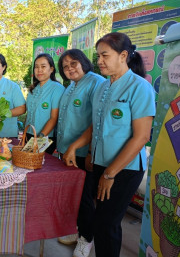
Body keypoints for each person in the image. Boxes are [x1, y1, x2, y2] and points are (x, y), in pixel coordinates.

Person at [64, 32, 155, 257]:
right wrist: (76, 147)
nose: (100, 61)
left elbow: (142, 137)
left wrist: (110, 174)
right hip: (100, 164)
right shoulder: (103, 87)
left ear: (123, 55)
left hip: (125, 169)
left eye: (105, 55)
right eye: (98, 56)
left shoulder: (139, 87)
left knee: (107, 224)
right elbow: (95, 127)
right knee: (99, 220)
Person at [56, 49, 105, 256]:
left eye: (73, 63)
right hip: (66, 151)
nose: (69, 69)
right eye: (65, 67)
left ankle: (87, 238)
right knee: (72, 196)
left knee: (85, 198)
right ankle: (78, 231)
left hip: (84, 153)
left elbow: (98, 121)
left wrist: (91, 153)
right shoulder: (69, 87)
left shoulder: (97, 83)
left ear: (84, 62)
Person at [25, 53, 64, 154]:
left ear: (51, 69)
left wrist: (39, 139)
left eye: (43, 66)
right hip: (28, 135)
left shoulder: (57, 89)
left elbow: (54, 118)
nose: (39, 70)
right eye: (36, 67)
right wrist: (25, 135)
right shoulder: (33, 89)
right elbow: (28, 114)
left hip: (45, 137)